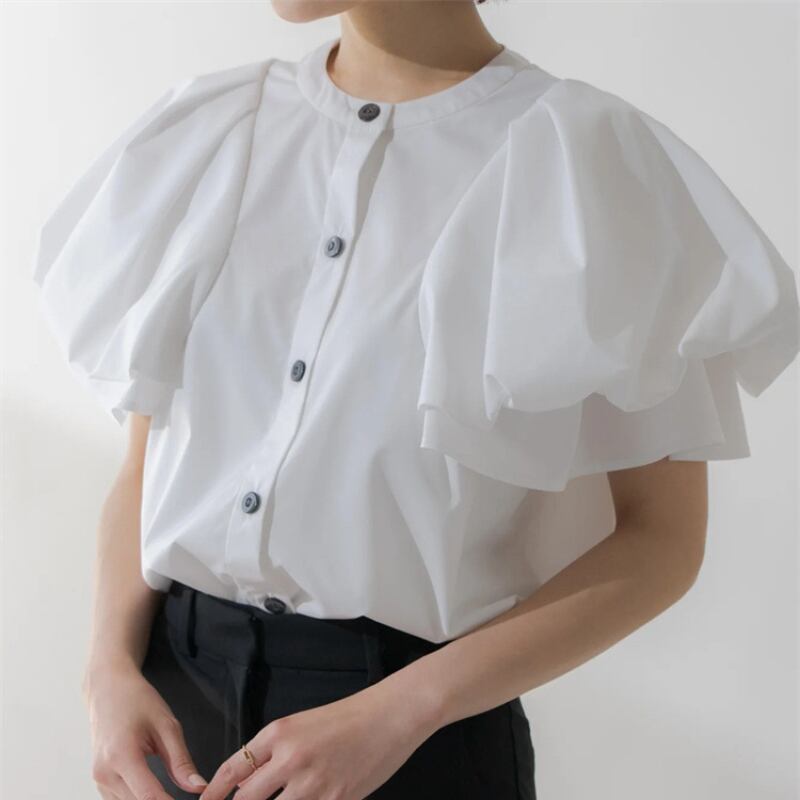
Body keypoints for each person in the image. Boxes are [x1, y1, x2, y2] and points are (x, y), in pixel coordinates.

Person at [31, 2, 800, 800]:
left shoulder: (578, 161)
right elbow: (145, 468)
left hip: (410, 745)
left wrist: (401, 712)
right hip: (170, 721)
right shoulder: (215, 132)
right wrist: (106, 669)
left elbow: (662, 543)